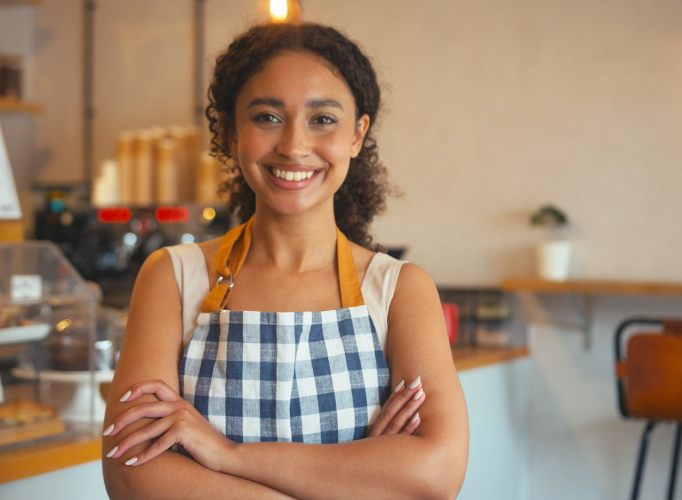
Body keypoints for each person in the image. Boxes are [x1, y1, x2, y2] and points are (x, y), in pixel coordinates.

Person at [102, 21, 469, 500]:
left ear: (357, 135)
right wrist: (358, 480)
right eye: (268, 117)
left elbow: (437, 473)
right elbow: (134, 474)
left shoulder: (400, 290)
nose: (294, 145)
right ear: (232, 132)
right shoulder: (172, 277)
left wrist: (226, 455)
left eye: (322, 119)